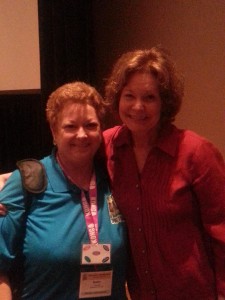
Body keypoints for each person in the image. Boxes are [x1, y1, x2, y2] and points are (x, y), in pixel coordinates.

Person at [103, 46, 225, 299]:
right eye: (129, 96)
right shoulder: (106, 146)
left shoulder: (196, 152)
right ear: (118, 97)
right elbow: (63, 167)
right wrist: (10, 194)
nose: (138, 107)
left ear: (164, 102)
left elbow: (222, 231)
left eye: (149, 97)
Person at [0, 81, 128, 299]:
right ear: (53, 131)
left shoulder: (114, 178)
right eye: (70, 126)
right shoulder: (26, 183)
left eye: (90, 125)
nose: (82, 135)